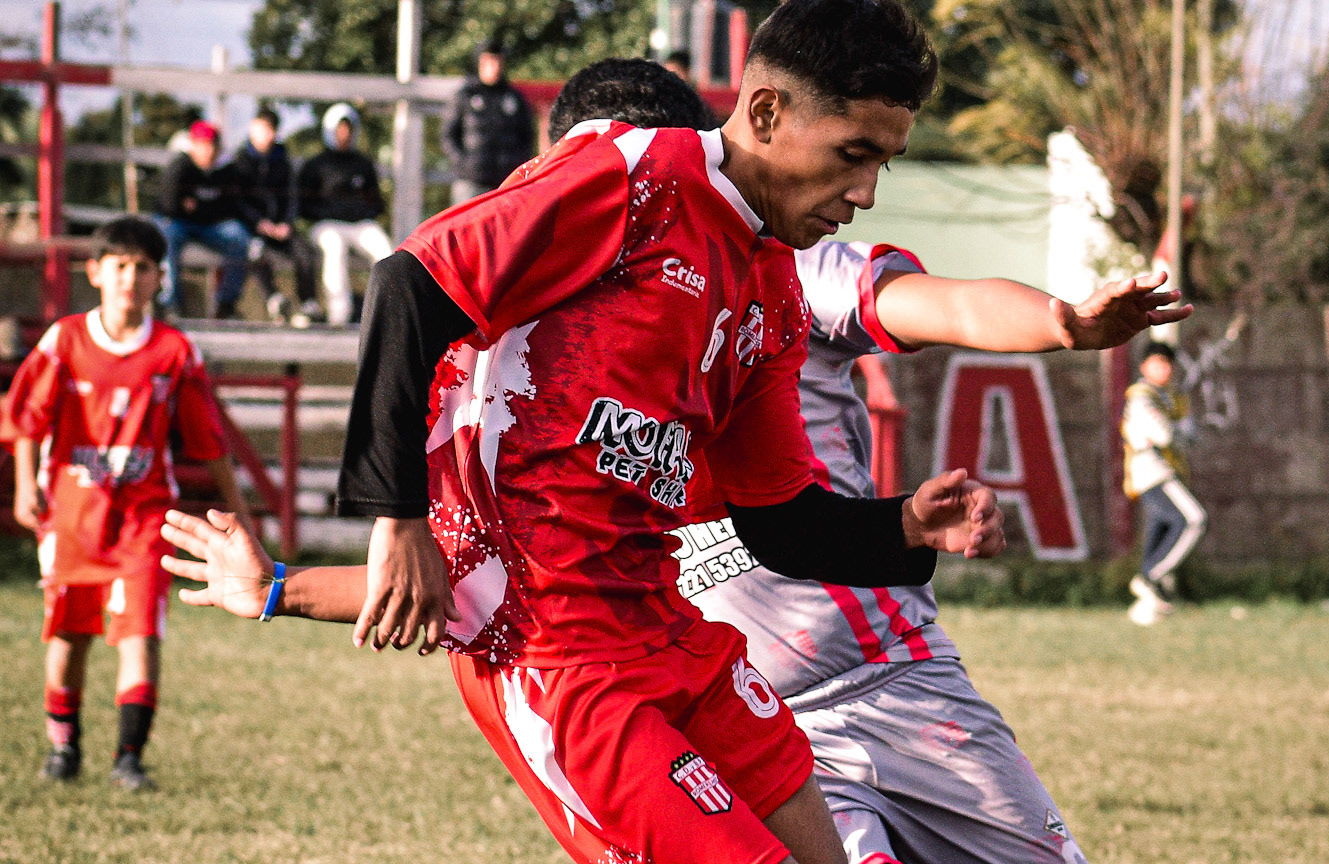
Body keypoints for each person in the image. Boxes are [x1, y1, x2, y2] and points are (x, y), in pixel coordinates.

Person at [167, 7, 1000, 861]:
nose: (866, 193)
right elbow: (407, 285)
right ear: (765, 112)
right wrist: (397, 520)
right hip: (559, 668)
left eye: (882, 163)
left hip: (672, 632)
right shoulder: (635, 177)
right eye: (852, 155)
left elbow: (779, 518)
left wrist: (904, 525)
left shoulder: (773, 292)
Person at [676, 239, 1187, 864]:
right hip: (754, 724)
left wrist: (1063, 324)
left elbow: (954, 306)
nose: (860, 196)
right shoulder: (589, 327)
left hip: (899, 679)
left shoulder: (791, 275)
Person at [3, 217, 250, 789]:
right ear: (95, 272)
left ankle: (129, 759)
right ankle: (63, 748)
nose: (130, 279)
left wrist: (238, 510)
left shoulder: (174, 352)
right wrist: (24, 486)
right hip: (73, 518)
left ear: (160, 277)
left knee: (141, 633)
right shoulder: (64, 340)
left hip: (144, 517)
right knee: (68, 636)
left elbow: (209, 439)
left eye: (143, 268)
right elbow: (26, 417)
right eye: (120, 266)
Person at [1122, 340, 1206, 626]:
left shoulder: (1171, 397)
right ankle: (1150, 576)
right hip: (1152, 471)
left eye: (1168, 363)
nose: (1164, 369)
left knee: (1160, 530)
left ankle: (1146, 609)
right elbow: (1165, 435)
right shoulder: (1142, 397)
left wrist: (1176, 430)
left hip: (1169, 469)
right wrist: (1177, 430)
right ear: (1144, 366)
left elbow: (1190, 435)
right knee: (1193, 520)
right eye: (1157, 363)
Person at [297, 103, 392, 325]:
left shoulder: (363, 164)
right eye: (339, 129)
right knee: (335, 247)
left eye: (348, 129)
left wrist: (359, 211)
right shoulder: (316, 165)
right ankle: (339, 315)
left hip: (359, 225)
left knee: (385, 250)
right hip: (327, 225)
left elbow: (376, 202)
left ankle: (387, 314)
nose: (344, 134)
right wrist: (332, 211)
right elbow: (304, 206)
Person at [230, 107, 322, 325]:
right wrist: (258, 223)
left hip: (281, 228)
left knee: (303, 251)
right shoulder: (240, 162)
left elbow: (292, 197)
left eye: (271, 130)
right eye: (263, 129)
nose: (267, 135)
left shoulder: (283, 162)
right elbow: (237, 201)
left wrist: (286, 223)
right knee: (254, 252)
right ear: (252, 128)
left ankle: (308, 303)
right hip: (253, 229)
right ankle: (274, 299)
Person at [154, 120, 251, 318]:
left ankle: (226, 304)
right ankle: (170, 304)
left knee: (240, 237)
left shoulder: (227, 170)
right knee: (166, 236)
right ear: (193, 145)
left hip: (210, 226)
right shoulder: (179, 166)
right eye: (202, 145)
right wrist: (206, 208)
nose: (208, 151)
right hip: (178, 223)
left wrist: (196, 206)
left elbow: (231, 207)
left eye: (212, 145)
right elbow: (169, 206)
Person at [443, 40, 537, 205]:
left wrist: (517, 164)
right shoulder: (464, 96)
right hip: (471, 182)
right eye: (489, 62)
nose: (494, 67)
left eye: (498, 61)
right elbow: (449, 135)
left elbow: (527, 136)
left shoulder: (514, 98)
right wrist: (465, 165)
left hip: (506, 182)